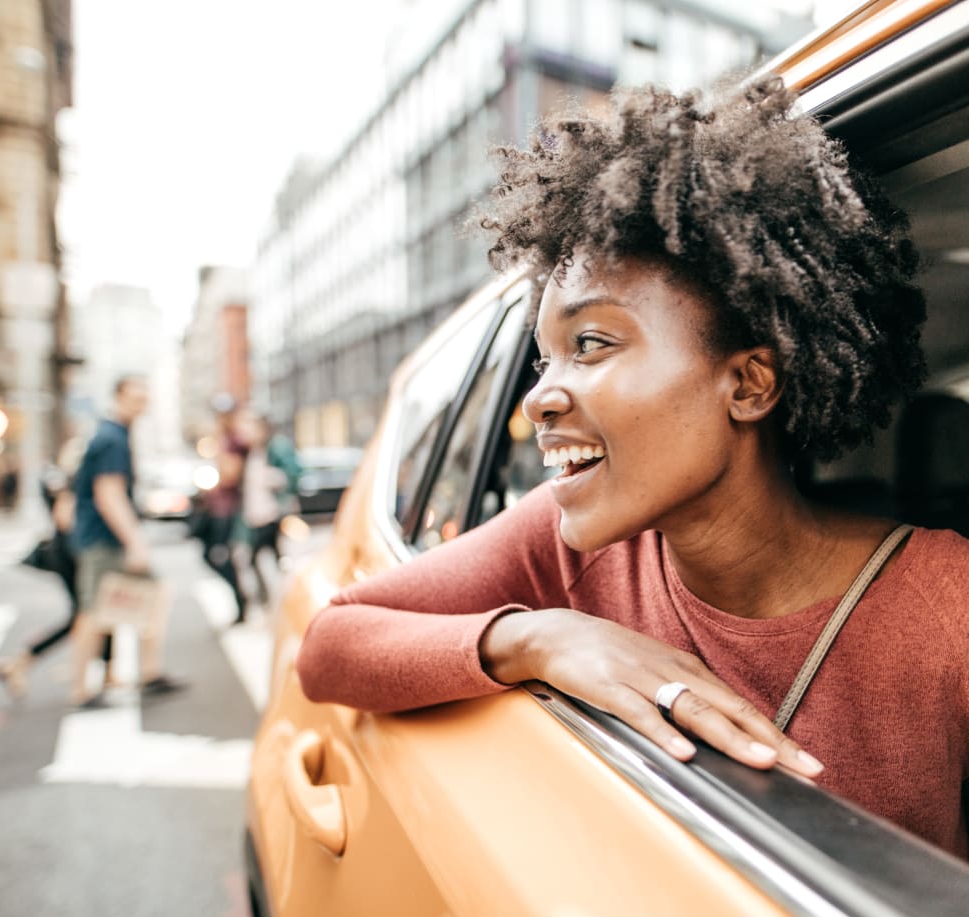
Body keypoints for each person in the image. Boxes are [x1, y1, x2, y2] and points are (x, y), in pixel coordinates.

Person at [296, 77, 969, 858]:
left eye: (591, 345)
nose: (540, 397)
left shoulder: (947, 604)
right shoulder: (568, 543)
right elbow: (329, 646)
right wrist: (540, 640)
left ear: (748, 384)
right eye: (544, 359)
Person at [68, 375, 184, 707]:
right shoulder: (112, 439)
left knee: (110, 605)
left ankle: (146, 672)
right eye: (135, 396)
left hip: (102, 539)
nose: (141, 402)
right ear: (118, 396)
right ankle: (82, 687)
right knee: (94, 610)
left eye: (144, 396)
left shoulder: (113, 434)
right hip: (104, 541)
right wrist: (135, 541)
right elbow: (109, 495)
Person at [0, 441, 113, 699]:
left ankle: (107, 672)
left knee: (96, 612)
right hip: (72, 555)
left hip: (71, 553)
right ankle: (19, 663)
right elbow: (65, 518)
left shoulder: (69, 478)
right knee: (85, 616)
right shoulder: (74, 481)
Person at [240, 413, 300, 609]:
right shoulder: (252, 451)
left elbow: (293, 474)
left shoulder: (276, 447)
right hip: (256, 515)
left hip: (273, 513)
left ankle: (284, 597)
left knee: (278, 558)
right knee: (264, 558)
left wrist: (273, 477)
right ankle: (275, 599)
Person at [199, 394, 249, 623]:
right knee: (213, 555)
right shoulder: (223, 439)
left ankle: (241, 599)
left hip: (229, 509)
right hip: (218, 507)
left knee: (219, 555)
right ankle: (240, 598)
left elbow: (230, 476)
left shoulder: (234, 441)